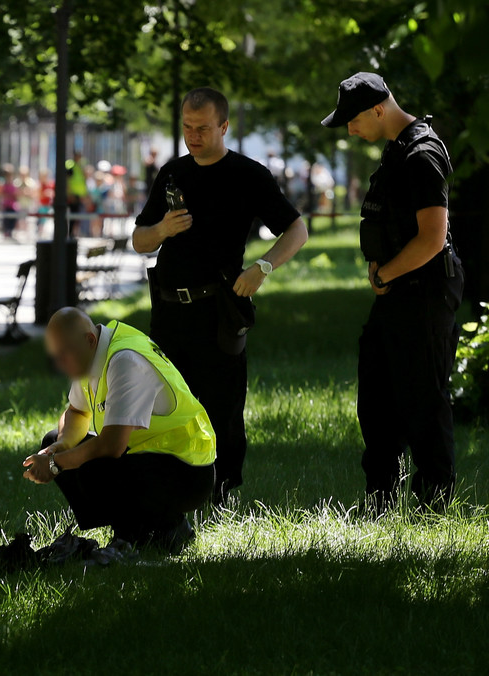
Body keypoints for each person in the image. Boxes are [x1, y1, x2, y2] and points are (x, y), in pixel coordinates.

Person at [132, 87, 309, 503]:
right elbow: (140, 239)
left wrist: (262, 268)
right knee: (168, 404)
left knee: (222, 408)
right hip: (170, 310)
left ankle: (222, 494)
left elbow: (296, 230)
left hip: (219, 309)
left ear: (224, 126)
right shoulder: (172, 173)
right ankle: (174, 494)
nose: (194, 136)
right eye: (188, 128)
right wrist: (161, 231)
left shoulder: (248, 174)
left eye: (204, 128)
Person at [321, 72, 464, 511]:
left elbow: (432, 237)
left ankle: (433, 506)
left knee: (423, 398)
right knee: (379, 396)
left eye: (352, 120)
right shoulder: (397, 151)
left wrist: (384, 275)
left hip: (424, 289)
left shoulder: (421, 154)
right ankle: (379, 500)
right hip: (400, 291)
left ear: (378, 109)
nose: (349, 128)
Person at [23, 308, 215, 554]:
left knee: (96, 465)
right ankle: (136, 530)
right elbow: (78, 412)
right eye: (55, 356)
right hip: (149, 456)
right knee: (54, 440)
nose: (60, 364)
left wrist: (54, 463)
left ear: (89, 340)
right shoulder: (88, 354)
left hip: (187, 471)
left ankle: (165, 530)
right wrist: (61, 445)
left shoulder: (124, 360)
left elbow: (111, 446)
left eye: (63, 355)